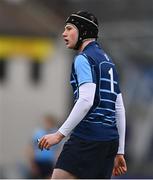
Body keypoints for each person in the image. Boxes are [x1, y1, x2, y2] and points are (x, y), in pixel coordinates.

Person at [38, 11, 127, 179]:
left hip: (88, 137)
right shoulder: (108, 61)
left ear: (83, 31)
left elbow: (86, 100)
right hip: (109, 142)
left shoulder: (83, 59)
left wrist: (58, 135)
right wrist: (120, 150)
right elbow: (119, 107)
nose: (64, 33)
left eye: (69, 28)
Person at [27, 114, 60, 179]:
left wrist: (56, 164)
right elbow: (31, 148)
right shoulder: (38, 133)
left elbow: (58, 150)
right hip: (38, 162)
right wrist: (32, 164)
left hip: (50, 163)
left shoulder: (55, 134)